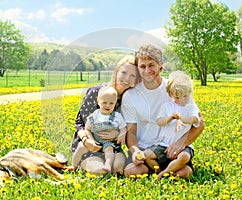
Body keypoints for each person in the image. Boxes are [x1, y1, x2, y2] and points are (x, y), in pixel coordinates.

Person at [121, 44, 204, 178]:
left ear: (160, 65)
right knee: (132, 172)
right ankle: (160, 171)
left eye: (151, 65)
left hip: (171, 151)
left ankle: (162, 171)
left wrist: (181, 143)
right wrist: (135, 151)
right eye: (142, 66)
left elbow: (200, 123)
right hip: (145, 150)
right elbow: (131, 132)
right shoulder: (130, 95)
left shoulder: (175, 88)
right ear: (138, 68)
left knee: (185, 173)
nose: (147, 70)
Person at [71, 55, 140, 174]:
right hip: (90, 146)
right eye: (124, 72)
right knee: (99, 171)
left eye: (132, 75)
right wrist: (87, 140)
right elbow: (80, 123)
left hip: (112, 148)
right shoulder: (97, 92)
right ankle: (83, 163)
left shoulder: (129, 99)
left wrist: (119, 133)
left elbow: (128, 127)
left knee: (118, 168)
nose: (127, 79)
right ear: (116, 72)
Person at [143, 71, 200, 179]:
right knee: (147, 155)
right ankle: (160, 172)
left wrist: (182, 119)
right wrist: (170, 118)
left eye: (185, 96)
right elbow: (160, 121)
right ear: (171, 95)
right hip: (164, 145)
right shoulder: (167, 106)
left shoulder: (191, 107)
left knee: (184, 158)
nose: (182, 100)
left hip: (183, 147)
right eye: (178, 97)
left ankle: (165, 173)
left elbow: (195, 119)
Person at [72, 86, 127, 172]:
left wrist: (121, 134)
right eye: (104, 102)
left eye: (111, 103)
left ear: (115, 103)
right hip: (94, 141)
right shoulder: (94, 116)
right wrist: (91, 140)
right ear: (98, 102)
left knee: (109, 148)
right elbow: (87, 129)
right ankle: (73, 166)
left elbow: (123, 128)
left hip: (108, 142)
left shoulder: (117, 117)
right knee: (80, 147)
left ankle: (108, 164)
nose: (107, 105)